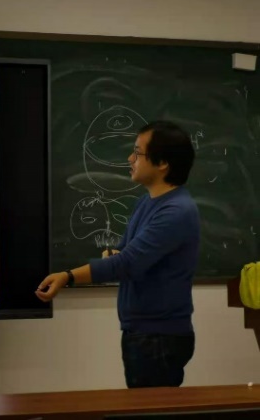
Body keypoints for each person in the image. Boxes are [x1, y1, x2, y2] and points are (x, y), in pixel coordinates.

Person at [37, 120, 200, 388]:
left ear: (162, 163)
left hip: (159, 336)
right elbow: (124, 252)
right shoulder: (146, 202)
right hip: (142, 331)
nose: (130, 159)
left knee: (149, 408)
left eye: (137, 153)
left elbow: (127, 263)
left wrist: (68, 276)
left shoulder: (176, 212)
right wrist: (116, 255)